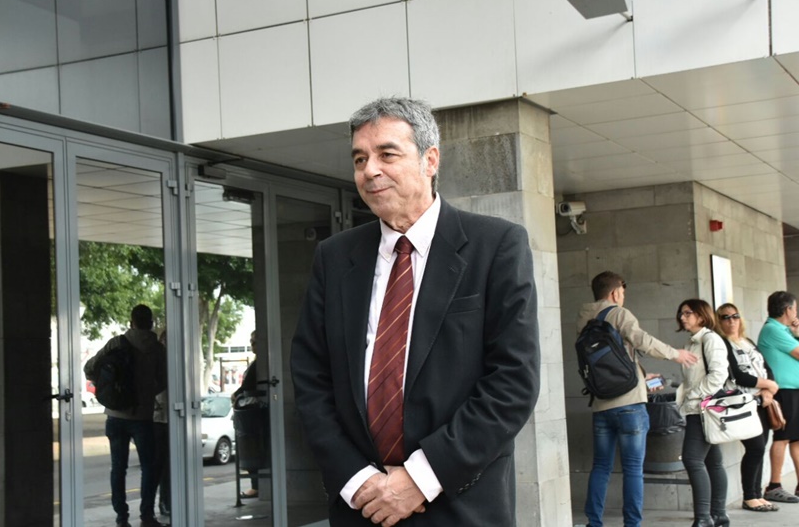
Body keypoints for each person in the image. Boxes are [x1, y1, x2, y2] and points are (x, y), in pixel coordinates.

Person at [290, 96, 540, 526]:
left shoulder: (496, 246)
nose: (370, 170)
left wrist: (420, 479)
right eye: (360, 159)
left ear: (430, 160)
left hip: (459, 505)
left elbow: (513, 381)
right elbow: (311, 377)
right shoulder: (334, 258)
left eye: (387, 154)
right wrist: (357, 479)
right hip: (361, 507)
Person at [576, 271, 698, 527]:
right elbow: (642, 340)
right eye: (622, 292)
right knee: (632, 468)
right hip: (629, 405)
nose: (623, 297)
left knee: (601, 467)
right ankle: (632, 524)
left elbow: (614, 359)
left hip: (600, 405)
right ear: (615, 293)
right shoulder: (619, 313)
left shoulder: (583, 318)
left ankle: (593, 523)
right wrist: (674, 354)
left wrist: (642, 376)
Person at [84, 304, 168, 527]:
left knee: (118, 468)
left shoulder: (116, 343)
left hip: (116, 415)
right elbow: (163, 381)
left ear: (132, 322)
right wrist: (146, 393)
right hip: (142, 416)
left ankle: (122, 518)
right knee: (148, 467)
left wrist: (108, 386)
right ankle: (147, 515)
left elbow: (90, 368)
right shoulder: (158, 350)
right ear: (151, 323)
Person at [715, 303, 780, 512]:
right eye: (726, 317)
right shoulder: (722, 344)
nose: (732, 320)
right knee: (755, 448)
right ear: (719, 321)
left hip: (763, 402)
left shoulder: (747, 341)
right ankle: (749, 496)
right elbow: (737, 375)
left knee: (760, 449)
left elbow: (766, 367)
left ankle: (757, 494)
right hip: (743, 403)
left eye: (735, 316)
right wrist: (769, 385)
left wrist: (769, 391)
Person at [675, 299, 729, 527]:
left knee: (692, 459)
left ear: (701, 315)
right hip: (697, 408)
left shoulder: (710, 339)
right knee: (712, 461)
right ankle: (718, 514)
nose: (682, 317)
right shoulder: (692, 342)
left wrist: (694, 396)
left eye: (688, 313)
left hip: (703, 409)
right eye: (681, 313)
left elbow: (718, 376)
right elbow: (692, 379)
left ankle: (704, 517)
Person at [757, 291, 799, 504]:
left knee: (796, 439)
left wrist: (796, 332)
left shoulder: (785, 330)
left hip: (793, 391)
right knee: (782, 437)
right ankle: (774, 485)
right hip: (783, 392)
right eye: (795, 308)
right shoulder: (773, 329)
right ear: (787, 310)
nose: (796, 312)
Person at [232, 330, 259, 499]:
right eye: (251, 341)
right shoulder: (256, 363)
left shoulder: (260, 364)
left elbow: (248, 385)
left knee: (252, 448)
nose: (252, 345)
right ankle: (255, 484)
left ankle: (255, 486)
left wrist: (236, 394)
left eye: (254, 341)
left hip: (252, 412)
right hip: (249, 410)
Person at [153, 330, 170, 517]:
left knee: (168, 465)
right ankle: (163, 502)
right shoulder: (155, 361)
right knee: (160, 465)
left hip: (170, 419)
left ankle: (167, 501)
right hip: (159, 420)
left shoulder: (175, 362)